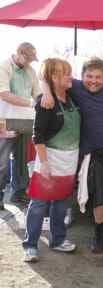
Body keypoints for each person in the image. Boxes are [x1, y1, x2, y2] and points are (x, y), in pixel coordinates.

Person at [41, 57, 103, 254]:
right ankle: (99, 234)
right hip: (96, 153)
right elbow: (45, 75)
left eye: (98, 77)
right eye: (89, 76)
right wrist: (46, 92)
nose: (93, 81)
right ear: (82, 76)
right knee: (99, 197)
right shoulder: (76, 87)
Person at [23, 58, 80, 263]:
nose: (70, 76)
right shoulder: (45, 102)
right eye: (66, 73)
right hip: (50, 160)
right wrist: (45, 163)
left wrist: (47, 86)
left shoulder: (71, 96)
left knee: (61, 203)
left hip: (69, 161)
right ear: (54, 77)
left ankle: (58, 240)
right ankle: (30, 245)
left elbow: (41, 76)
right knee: (39, 204)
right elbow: (37, 136)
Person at [0, 42, 40, 209]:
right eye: (28, 58)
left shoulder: (30, 71)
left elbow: (38, 94)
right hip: (5, 121)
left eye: (32, 59)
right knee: (2, 161)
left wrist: (40, 100)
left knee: (22, 161)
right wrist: (30, 103)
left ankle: (19, 193)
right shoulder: (4, 67)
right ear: (19, 53)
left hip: (26, 122)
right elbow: (4, 94)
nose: (30, 62)